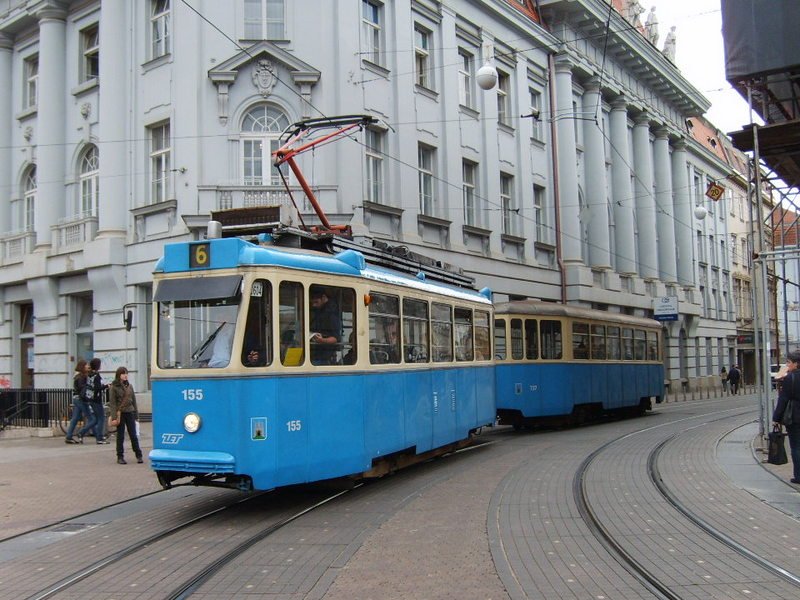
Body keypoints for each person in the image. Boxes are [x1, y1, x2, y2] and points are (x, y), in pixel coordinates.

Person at [772, 349, 800, 485]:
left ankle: (798, 476)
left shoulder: (790, 378)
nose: (787, 365)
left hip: (794, 416)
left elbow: (783, 400)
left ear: (796, 364)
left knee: (796, 446)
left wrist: (776, 418)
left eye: (789, 362)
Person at [108, 367, 143, 465]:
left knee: (133, 434)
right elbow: (113, 403)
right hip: (121, 413)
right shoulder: (114, 387)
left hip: (130, 412)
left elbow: (134, 401)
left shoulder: (130, 386)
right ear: (118, 375)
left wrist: (136, 415)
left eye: (126, 373)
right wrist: (114, 417)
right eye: (123, 374)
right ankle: (120, 456)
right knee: (120, 435)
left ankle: (138, 454)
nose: (125, 375)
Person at [65, 359, 96, 444]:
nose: (88, 366)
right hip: (81, 400)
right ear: (82, 366)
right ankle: (83, 433)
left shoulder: (79, 376)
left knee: (75, 419)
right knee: (92, 418)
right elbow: (82, 389)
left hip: (77, 399)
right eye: (86, 365)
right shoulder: (81, 377)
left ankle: (69, 436)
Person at [309, 288, 341, 364]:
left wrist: (321, 340)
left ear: (323, 298)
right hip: (319, 353)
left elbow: (335, 338)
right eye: (312, 303)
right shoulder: (320, 311)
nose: (314, 305)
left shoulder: (331, 314)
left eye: (316, 302)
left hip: (326, 356)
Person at [87, 357, 109, 444]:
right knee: (101, 418)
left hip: (91, 398)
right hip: (96, 399)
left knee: (96, 418)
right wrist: (106, 386)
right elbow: (97, 388)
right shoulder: (96, 376)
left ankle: (83, 432)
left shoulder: (90, 374)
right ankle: (99, 437)